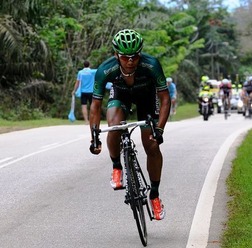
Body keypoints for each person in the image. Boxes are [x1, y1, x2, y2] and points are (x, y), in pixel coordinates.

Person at [89, 29, 171, 220]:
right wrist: (94, 137)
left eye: (135, 56)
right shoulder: (105, 70)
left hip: (146, 99)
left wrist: (159, 129)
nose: (131, 61)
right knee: (115, 125)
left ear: (140, 53)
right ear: (117, 54)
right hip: (121, 95)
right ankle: (117, 166)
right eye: (125, 57)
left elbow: (165, 99)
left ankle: (155, 195)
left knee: (152, 145)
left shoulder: (151, 65)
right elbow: (95, 105)